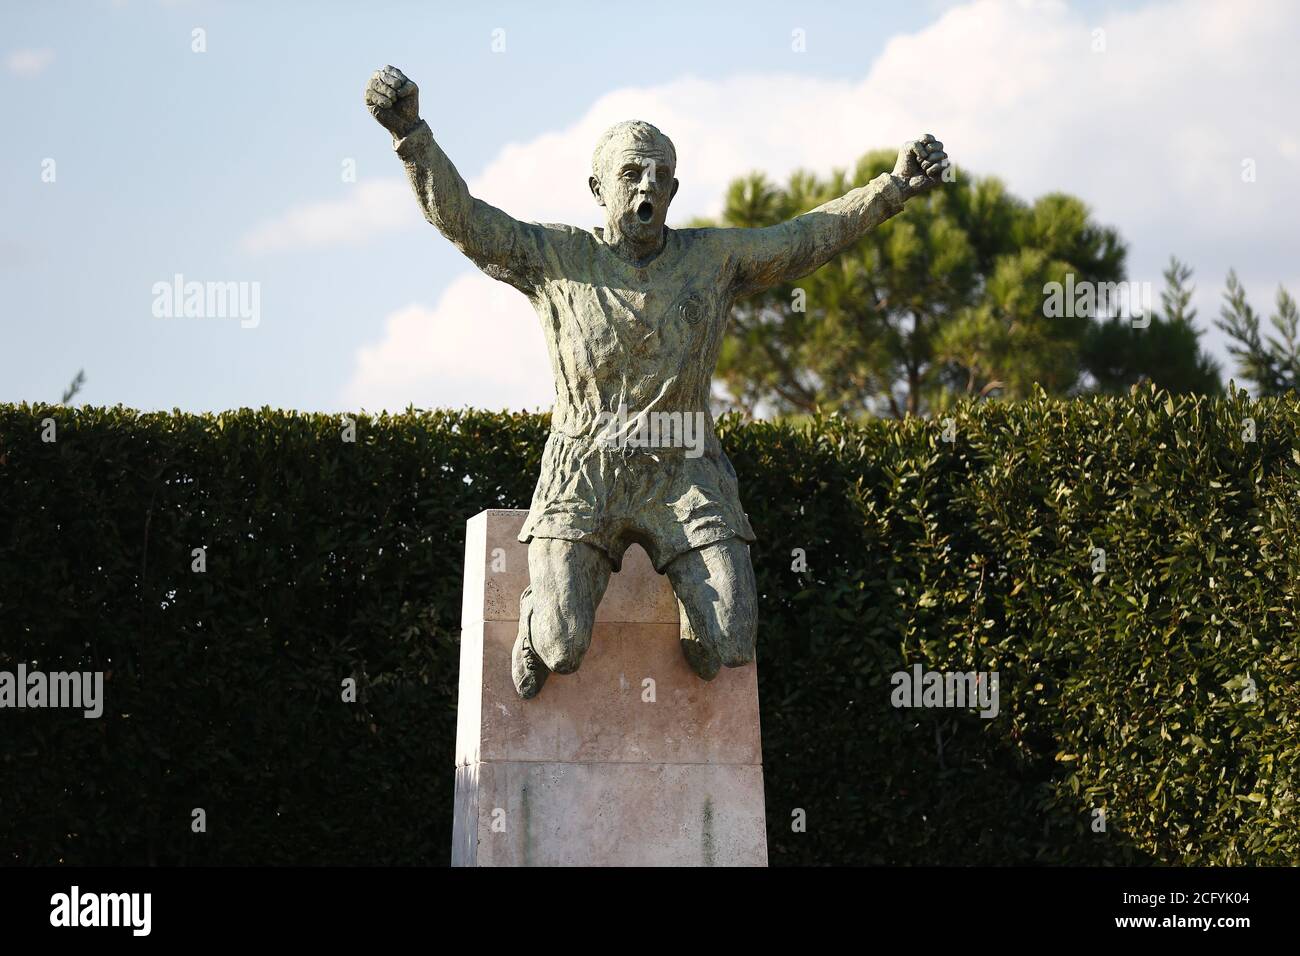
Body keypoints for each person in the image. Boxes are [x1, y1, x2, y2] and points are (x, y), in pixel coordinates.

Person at [365, 65, 949, 698]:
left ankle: (699, 617)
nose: (647, 186)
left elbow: (803, 239)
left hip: (686, 468)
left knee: (734, 641)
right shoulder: (556, 257)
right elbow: (465, 220)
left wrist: (892, 189)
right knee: (562, 647)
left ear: (673, 188)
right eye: (631, 174)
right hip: (586, 466)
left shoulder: (712, 259)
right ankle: (539, 615)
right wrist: (411, 137)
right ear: (597, 187)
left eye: (660, 176)